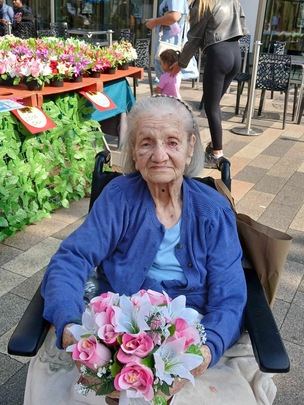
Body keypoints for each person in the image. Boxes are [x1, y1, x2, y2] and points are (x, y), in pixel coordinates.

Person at [23, 96, 276, 405]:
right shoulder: (118, 198)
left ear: (189, 145)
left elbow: (230, 296)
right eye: (146, 143)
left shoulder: (213, 212)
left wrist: (203, 356)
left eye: (172, 142)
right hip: (119, 327)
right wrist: (72, 329)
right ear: (133, 150)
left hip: (194, 334)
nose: (159, 156)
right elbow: (71, 260)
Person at [170, 0, 249, 169]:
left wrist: (180, 64)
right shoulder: (230, 0)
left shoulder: (203, 5)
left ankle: (217, 156)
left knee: (210, 107)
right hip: (235, 54)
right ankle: (214, 146)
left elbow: (194, 39)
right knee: (214, 106)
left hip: (218, 54)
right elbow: (242, 23)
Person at [145, 0, 197, 83]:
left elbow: (174, 16)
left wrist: (154, 22)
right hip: (171, 43)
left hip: (170, 45)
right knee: (169, 83)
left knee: (168, 83)